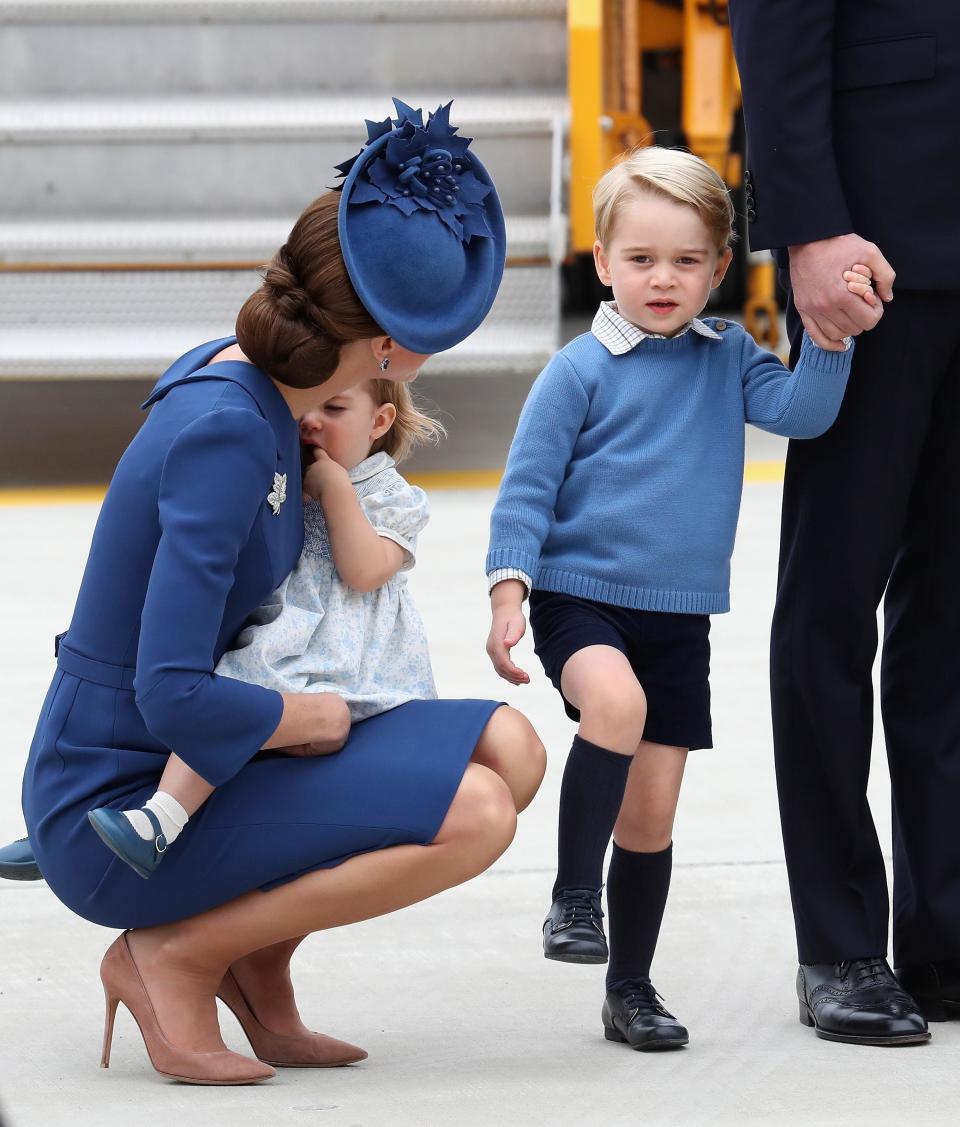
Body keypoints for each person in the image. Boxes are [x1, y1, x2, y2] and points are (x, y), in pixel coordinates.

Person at [12, 99, 546, 1085]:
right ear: (385, 346)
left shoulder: (266, 396)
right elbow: (169, 691)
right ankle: (171, 953)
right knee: (477, 813)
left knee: (513, 749)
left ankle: (258, 956)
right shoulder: (229, 431)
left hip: (202, 751)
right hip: (123, 791)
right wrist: (305, 713)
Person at [484, 145, 858, 1051]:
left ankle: (631, 989)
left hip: (676, 617)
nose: (663, 279)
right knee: (614, 702)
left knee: (651, 813)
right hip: (581, 599)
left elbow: (803, 414)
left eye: (688, 261)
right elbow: (526, 492)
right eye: (641, 259)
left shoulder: (726, 358)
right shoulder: (578, 370)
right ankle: (574, 897)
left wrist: (832, 337)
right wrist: (508, 593)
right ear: (602, 261)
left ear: (720, 268)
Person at [729, 0, 960, 1045]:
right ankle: (839, 942)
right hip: (872, 242)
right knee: (830, 603)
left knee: (953, 618)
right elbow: (777, 26)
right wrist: (809, 228)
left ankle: (945, 934)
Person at [87, 377, 445, 878]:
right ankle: (95, 827)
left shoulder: (391, 495)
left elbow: (365, 573)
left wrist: (336, 490)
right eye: (304, 408)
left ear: (379, 422)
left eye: (336, 408)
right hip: (285, 633)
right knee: (202, 695)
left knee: (238, 697)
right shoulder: (285, 471)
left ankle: (160, 820)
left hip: (341, 656)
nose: (312, 422)